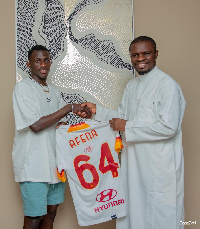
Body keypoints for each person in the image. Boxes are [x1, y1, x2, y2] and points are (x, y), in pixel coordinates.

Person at [81, 36, 186, 229]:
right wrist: (97, 111)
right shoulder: (132, 86)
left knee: (161, 218)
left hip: (159, 168)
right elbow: (121, 116)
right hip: (134, 166)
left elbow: (169, 127)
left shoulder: (167, 85)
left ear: (156, 54)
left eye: (145, 53)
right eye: (135, 55)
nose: (140, 59)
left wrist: (127, 126)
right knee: (134, 216)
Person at [12, 45, 91, 229]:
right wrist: (69, 108)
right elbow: (36, 125)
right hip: (33, 166)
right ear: (29, 64)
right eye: (38, 61)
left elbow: (58, 126)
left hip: (56, 164)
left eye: (46, 59)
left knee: (51, 213)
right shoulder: (23, 89)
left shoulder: (54, 91)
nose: (43, 64)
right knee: (34, 218)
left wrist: (84, 121)